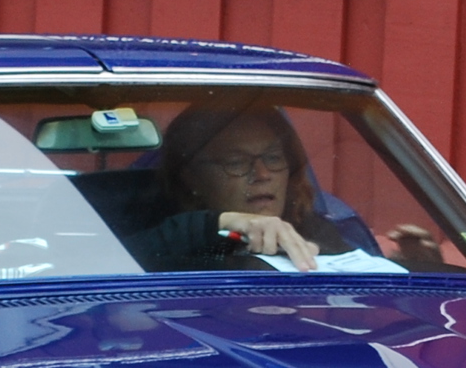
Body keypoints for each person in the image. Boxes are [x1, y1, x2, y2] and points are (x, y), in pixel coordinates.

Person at [121, 103, 436, 272]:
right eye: (236, 162)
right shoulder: (173, 241)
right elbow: (122, 260)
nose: (262, 174)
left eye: (273, 158)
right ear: (191, 177)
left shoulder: (312, 229)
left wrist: (413, 267)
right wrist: (220, 224)